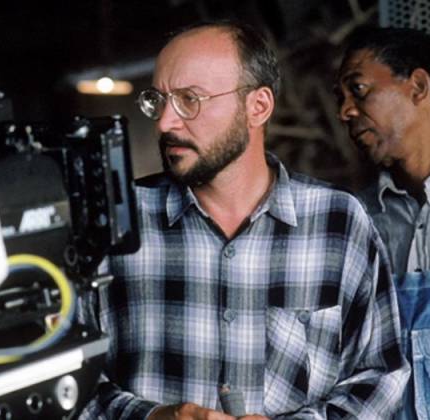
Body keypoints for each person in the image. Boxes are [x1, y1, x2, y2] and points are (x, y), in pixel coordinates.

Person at [79, 21, 409, 419]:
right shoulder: (113, 223)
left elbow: (380, 375)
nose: (165, 122)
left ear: (258, 106)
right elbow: (66, 382)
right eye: (158, 101)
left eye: (189, 99)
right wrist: (151, 417)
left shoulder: (338, 222)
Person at [336, 26, 430, 419]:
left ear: (418, 86)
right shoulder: (357, 222)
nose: (345, 111)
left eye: (359, 89)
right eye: (341, 98)